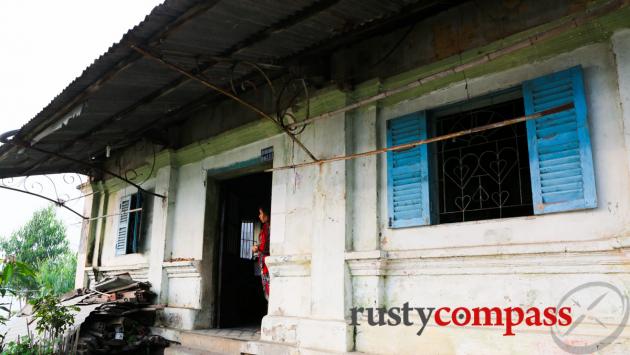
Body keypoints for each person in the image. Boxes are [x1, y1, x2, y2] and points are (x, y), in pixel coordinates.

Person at [252, 206, 270, 301]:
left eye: (261, 213)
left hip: (267, 262)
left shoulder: (268, 227)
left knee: (268, 286)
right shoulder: (265, 227)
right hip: (264, 262)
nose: (259, 216)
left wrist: (257, 248)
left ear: (266, 214)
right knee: (266, 285)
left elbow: (266, 246)